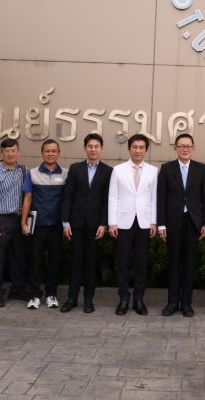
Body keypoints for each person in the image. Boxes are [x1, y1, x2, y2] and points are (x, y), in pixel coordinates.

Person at [157, 133, 205, 317]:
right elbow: (161, 198)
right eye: (181, 146)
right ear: (175, 148)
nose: (185, 148)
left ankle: (187, 304)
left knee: (189, 264)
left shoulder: (201, 169)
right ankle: (172, 302)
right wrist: (161, 224)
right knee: (173, 264)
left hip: (193, 223)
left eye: (188, 146)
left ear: (193, 148)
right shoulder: (166, 169)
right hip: (173, 223)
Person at [61, 133, 112, 313]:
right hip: (75, 223)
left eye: (96, 146)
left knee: (91, 263)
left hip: (94, 225)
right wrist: (65, 222)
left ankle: (89, 300)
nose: (93, 149)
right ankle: (71, 298)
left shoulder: (108, 171)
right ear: (85, 148)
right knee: (75, 263)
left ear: (101, 148)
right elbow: (68, 196)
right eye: (90, 146)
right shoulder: (75, 168)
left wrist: (103, 223)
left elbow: (107, 200)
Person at [108, 134, 158, 315]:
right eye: (135, 147)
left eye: (141, 147)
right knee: (122, 262)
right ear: (129, 149)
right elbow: (113, 196)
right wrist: (112, 222)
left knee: (141, 263)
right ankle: (123, 298)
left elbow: (154, 198)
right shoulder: (118, 170)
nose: (138, 151)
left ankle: (139, 299)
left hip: (144, 223)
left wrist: (153, 221)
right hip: (122, 222)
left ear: (146, 150)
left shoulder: (153, 171)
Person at [21, 139, 67, 310]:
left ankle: (51, 294)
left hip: (56, 226)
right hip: (37, 225)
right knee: (35, 261)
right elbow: (27, 198)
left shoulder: (65, 173)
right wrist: (23, 222)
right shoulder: (31, 173)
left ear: (58, 153)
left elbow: (67, 200)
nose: (50, 154)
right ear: (42, 153)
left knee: (55, 261)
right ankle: (33, 295)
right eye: (47, 151)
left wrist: (66, 224)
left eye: (54, 151)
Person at [0, 138, 27, 308]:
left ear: (18, 152)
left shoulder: (22, 170)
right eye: (6, 151)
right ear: (1, 153)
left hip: (19, 220)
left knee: (18, 257)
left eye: (13, 151)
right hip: (0, 220)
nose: (10, 154)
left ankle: (17, 289)